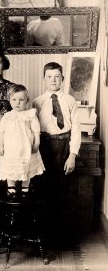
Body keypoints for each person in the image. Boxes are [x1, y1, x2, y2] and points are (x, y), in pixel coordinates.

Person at [32, 62, 81, 241]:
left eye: (57, 77)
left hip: (63, 147)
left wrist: (73, 156)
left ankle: (61, 236)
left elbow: (76, 129)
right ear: (44, 79)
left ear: (62, 78)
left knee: (63, 192)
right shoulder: (37, 102)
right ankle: (44, 236)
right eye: (49, 77)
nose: (53, 80)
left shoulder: (70, 101)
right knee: (43, 190)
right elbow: (33, 129)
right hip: (43, 148)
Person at [0, 84, 45, 196]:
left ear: (27, 101)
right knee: (10, 167)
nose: (17, 102)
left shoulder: (30, 115)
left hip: (26, 148)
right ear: (9, 100)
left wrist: (37, 144)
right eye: (14, 99)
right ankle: (11, 187)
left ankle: (25, 186)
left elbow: (36, 131)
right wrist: (0, 146)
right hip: (11, 149)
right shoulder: (7, 116)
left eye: (21, 100)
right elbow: (1, 132)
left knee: (26, 166)